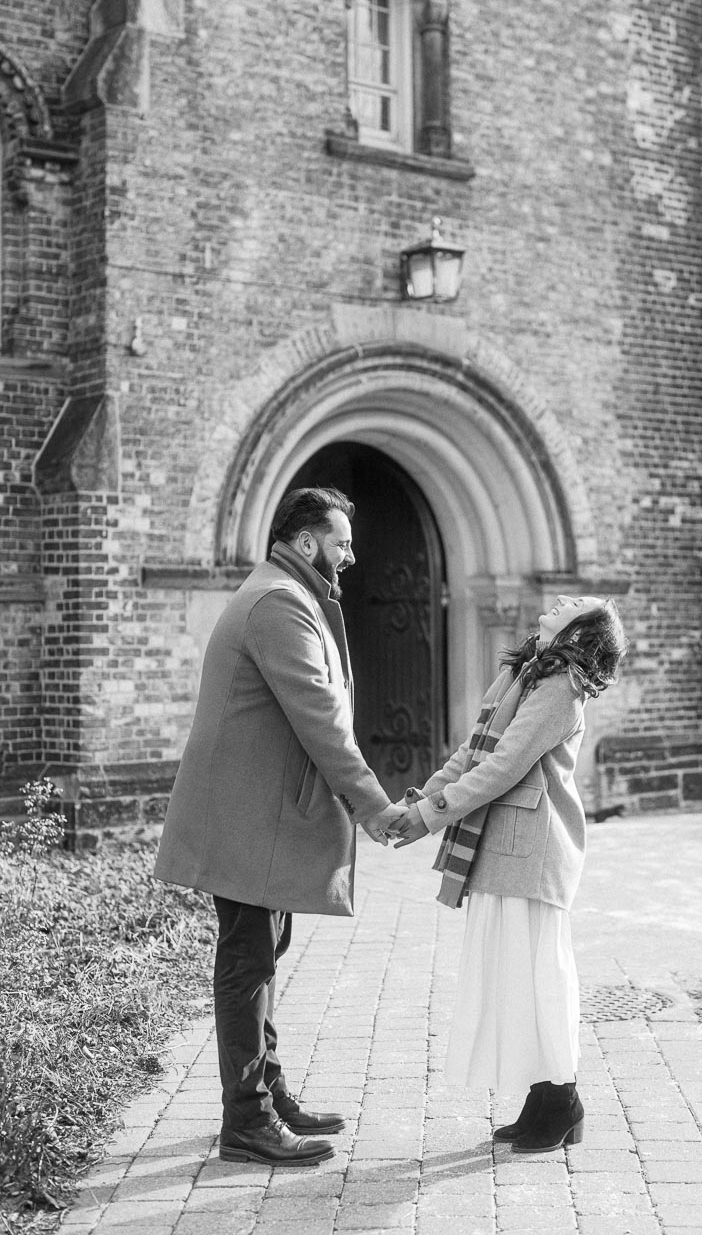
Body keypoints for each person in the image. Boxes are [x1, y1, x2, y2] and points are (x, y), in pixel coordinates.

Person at [154, 486, 404, 1167]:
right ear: (305, 542)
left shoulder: (287, 594)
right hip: (247, 819)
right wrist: (375, 808)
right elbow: (321, 718)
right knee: (247, 964)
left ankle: (270, 1093)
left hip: (258, 816)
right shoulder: (278, 604)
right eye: (341, 541)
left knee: (260, 960)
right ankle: (248, 1120)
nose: (350, 554)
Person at [391, 594, 627, 1153]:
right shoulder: (523, 674)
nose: (561, 600)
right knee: (514, 975)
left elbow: (502, 768)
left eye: (576, 603)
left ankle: (563, 1101)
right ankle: (543, 1098)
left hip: (533, 850)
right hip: (505, 847)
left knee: (539, 974)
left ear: (582, 630)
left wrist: (428, 817)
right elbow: (472, 754)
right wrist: (420, 801)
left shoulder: (561, 686)